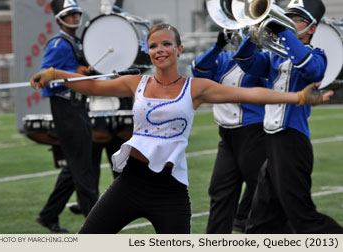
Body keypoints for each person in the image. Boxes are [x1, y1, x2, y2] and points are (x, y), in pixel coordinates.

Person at [31, 23, 331, 234]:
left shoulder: (195, 88)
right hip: (129, 185)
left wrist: (298, 97)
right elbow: (93, 86)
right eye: (153, 46)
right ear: (148, 52)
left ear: (178, 48)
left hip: (170, 192)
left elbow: (249, 94)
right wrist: (56, 73)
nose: (160, 50)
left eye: (166, 44)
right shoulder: (136, 83)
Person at [233, 0, 343, 233]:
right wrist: (252, 34)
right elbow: (245, 62)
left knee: (302, 216)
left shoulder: (317, 55)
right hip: (272, 141)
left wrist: (282, 29)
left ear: (312, 28)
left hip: (292, 142)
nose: (289, 20)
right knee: (260, 219)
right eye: (287, 16)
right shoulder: (274, 57)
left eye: (296, 18)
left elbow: (310, 69)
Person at [191, 30, 267, 233]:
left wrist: (253, 40)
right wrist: (217, 47)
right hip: (226, 135)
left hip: (254, 132)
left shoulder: (263, 58)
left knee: (262, 188)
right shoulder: (223, 57)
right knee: (220, 190)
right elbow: (198, 71)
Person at [35, 0, 98, 233]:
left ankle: (48, 215)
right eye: (69, 15)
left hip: (79, 107)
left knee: (75, 167)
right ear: (60, 18)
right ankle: (96, 224)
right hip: (65, 108)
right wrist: (74, 73)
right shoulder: (58, 44)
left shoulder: (77, 42)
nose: (74, 18)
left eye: (76, 14)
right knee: (83, 168)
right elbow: (45, 77)